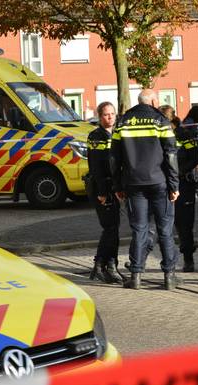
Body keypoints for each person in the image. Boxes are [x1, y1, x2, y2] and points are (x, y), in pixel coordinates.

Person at [110, 89, 180, 290]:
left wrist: (117, 185)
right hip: (159, 182)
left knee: (139, 229)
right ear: (152, 101)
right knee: (165, 229)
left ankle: (137, 276)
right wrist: (174, 184)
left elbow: (114, 157)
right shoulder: (160, 121)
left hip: (133, 183)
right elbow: (171, 154)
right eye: (157, 99)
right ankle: (169, 276)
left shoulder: (122, 122)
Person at [86, 102, 125, 284]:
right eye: (106, 115)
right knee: (110, 228)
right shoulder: (96, 136)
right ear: (100, 117)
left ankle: (110, 265)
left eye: (112, 114)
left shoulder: (116, 134)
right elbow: (96, 167)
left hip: (113, 187)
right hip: (100, 187)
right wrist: (102, 192)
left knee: (113, 228)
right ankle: (101, 264)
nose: (110, 118)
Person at [167, 107, 198, 273]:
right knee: (165, 225)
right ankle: (168, 262)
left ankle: (189, 259)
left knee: (185, 225)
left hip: (184, 185)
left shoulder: (184, 135)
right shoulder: (160, 135)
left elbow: (195, 157)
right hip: (165, 185)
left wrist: (180, 172)